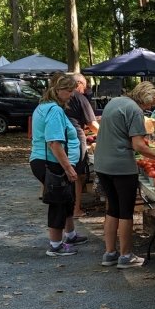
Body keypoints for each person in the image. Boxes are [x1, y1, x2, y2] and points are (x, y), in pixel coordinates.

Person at [93, 81, 155, 269]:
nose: (151, 107)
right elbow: (138, 145)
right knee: (125, 212)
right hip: (121, 166)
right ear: (145, 99)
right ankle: (126, 256)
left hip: (102, 163)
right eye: (151, 103)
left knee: (112, 210)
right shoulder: (135, 111)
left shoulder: (115, 102)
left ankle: (109, 253)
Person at [29, 73, 89, 257]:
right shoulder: (54, 110)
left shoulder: (44, 106)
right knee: (58, 202)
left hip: (46, 161)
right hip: (51, 163)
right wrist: (69, 168)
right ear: (60, 90)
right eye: (70, 91)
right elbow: (54, 143)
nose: (72, 95)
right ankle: (55, 245)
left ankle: (69, 235)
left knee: (67, 198)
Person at [63, 72, 100, 218]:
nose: (85, 90)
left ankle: (68, 206)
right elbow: (92, 124)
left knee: (66, 171)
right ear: (78, 84)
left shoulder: (59, 98)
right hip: (76, 138)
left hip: (61, 137)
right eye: (84, 86)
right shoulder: (80, 98)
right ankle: (76, 209)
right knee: (79, 175)